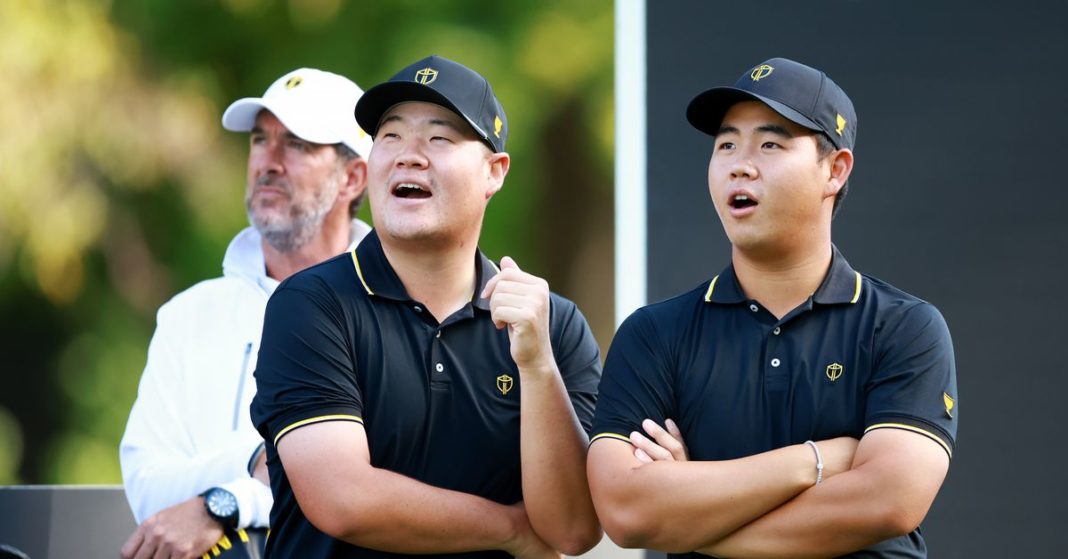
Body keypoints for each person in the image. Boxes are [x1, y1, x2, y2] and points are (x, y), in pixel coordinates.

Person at [587, 57, 958, 558]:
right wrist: (818, 460)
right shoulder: (655, 335)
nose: (740, 162)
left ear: (835, 169)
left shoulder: (903, 327)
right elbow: (627, 513)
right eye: (725, 145)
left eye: (770, 143)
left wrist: (693, 513)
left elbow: (890, 500)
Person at [250, 55, 603, 559]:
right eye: (389, 136)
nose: (407, 155)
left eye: (439, 138)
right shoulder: (311, 306)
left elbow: (571, 531)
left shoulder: (554, 325)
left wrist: (537, 365)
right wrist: (511, 530)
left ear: (494, 172)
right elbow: (344, 499)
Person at [119, 67, 374, 559]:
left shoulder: (393, 310)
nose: (269, 162)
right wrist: (256, 458)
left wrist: (225, 503)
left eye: (298, 145)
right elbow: (147, 489)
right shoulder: (187, 314)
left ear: (353, 177)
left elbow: (364, 488)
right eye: (261, 139)